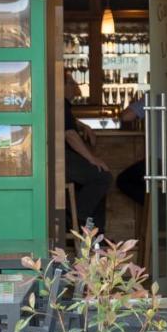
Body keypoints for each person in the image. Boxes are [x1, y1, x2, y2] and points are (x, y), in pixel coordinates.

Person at [63, 69, 114, 236]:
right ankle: (76, 219)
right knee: (102, 177)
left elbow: (70, 124)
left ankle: (95, 233)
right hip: (60, 161)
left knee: (99, 177)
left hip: (63, 161)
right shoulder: (60, 104)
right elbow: (69, 135)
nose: (76, 86)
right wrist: (92, 158)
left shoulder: (62, 106)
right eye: (71, 83)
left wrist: (83, 126)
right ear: (61, 86)